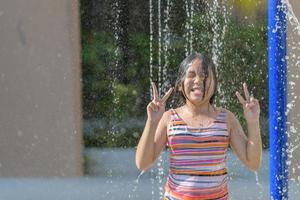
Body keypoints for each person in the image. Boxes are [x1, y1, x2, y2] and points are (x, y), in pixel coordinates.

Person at [135, 52, 262, 200]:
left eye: (205, 76)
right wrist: (152, 121)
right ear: (180, 85)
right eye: (191, 75)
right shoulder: (169, 118)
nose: (198, 80)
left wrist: (253, 122)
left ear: (214, 84)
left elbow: (252, 163)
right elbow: (142, 163)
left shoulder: (226, 119)